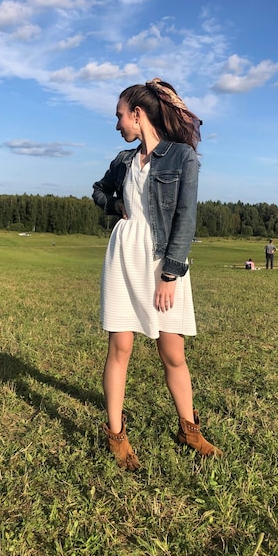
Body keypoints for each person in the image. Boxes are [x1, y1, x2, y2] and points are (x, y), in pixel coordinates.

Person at [92, 78, 222, 470]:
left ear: (138, 114)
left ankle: (189, 429)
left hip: (163, 261)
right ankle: (116, 435)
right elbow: (98, 191)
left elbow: (186, 219)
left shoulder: (182, 157)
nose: (117, 125)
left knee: (173, 351)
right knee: (122, 347)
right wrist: (118, 208)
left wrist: (170, 274)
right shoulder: (123, 160)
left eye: (120, 116)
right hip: (123, 258)